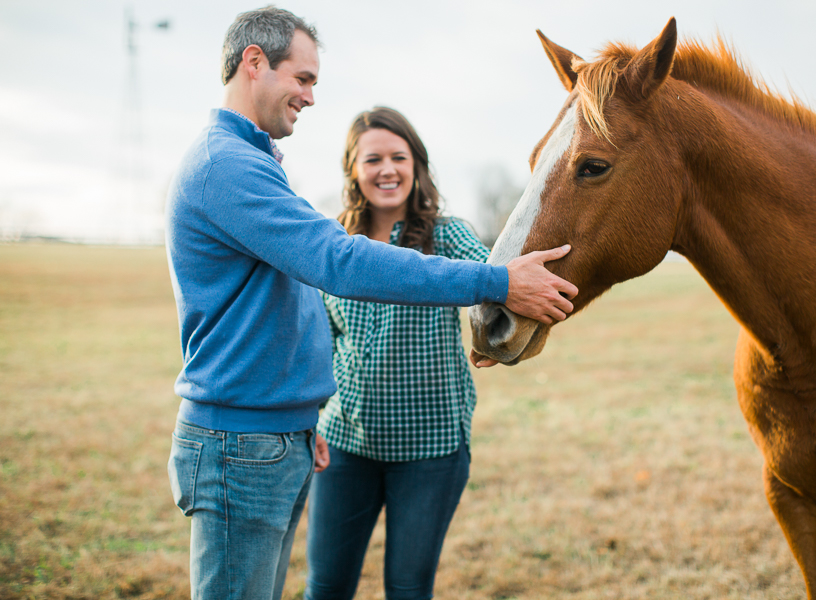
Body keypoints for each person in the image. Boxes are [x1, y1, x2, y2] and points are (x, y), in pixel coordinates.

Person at [164, 7, 577, 600]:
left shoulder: (254, 162)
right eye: (303, 79)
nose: (309, 96)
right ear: (254, 62)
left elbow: (304, 299)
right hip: (246, 444)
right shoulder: (227, 166)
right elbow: (339, 262)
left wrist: (497, 312)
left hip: (285, 438)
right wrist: (497, 284)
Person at [303, 107, 493, 600]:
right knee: (325, 587)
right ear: (353, 169)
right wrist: (310, 419)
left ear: (417, 166)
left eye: (398, 157)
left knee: (408, 590)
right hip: (345, 443)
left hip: (430, 451)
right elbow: (318, 342)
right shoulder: (331, 241)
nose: (387, 169)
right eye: (373, 159)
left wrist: (494, 333)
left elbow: (494, 286)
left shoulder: (446, 234)